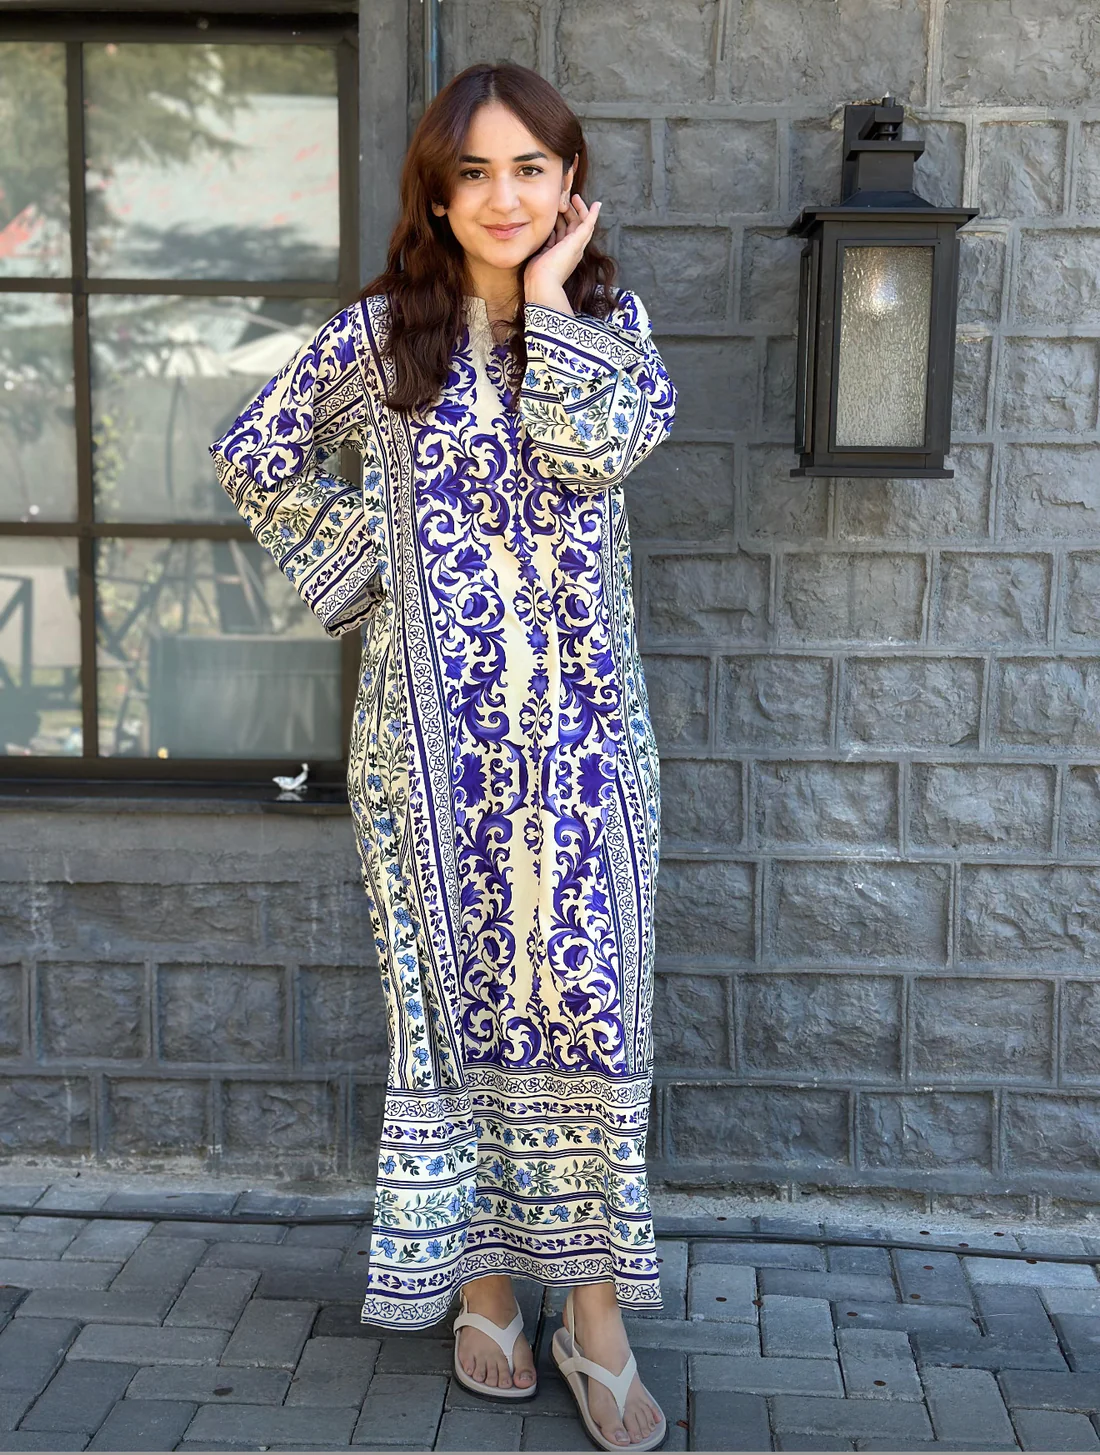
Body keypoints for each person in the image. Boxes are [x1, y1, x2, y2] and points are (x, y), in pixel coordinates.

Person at [210, 59, 677, 1452]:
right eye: (473, 172)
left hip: (587, 749)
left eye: (530, 167)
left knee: (589, 1008)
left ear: (568, 180)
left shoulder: (606, 323)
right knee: (449, 1016)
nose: (503, 196)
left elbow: (603, 452)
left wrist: (551, 301)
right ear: (435, 190)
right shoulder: (382, 335)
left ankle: (592, 1312)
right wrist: (379, 582)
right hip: (428, 758)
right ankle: (480, 1284)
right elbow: (257, 454)